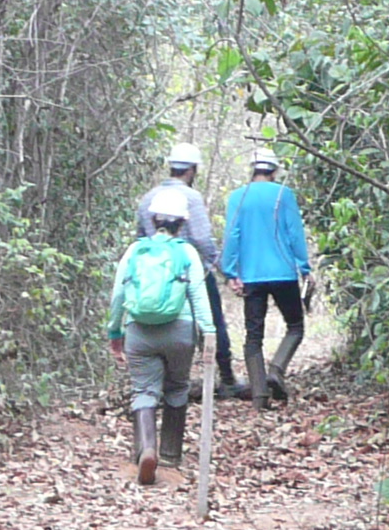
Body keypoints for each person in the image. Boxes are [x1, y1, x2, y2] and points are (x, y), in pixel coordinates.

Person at [108, 190, 215, 485]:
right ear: (182, 223)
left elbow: (118, 295)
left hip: (139, 331)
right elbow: (198, 295)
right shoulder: (186, 253)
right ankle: (170, 455)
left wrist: (115, 332)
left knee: (143, 390)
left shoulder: (134, 251)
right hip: (180, 331)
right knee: (178, 387)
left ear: (154, 220)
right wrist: (209, 333)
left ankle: (146, 450)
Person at [139, 143, 238, 399]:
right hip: (192, 271)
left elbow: (140, 237)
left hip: (156, 275)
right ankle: (226, 377)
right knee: (212, 322)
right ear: (192, 170)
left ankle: (162, 382)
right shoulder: (191, 198)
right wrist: (222, 269)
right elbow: (202, 239)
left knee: (164, 323)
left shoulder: (148, 198)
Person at [221, 149, 312, 406]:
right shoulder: (284, 195)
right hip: (284, 273)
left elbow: (232, 236)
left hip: (252, 276)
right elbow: (295, 233)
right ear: (274, 171)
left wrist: (230, 272)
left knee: (253, 336)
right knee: (295, 326)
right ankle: (276, 370)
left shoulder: (238, 197)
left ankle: (260, 396)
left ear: (253, 169)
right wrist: (304, 267)